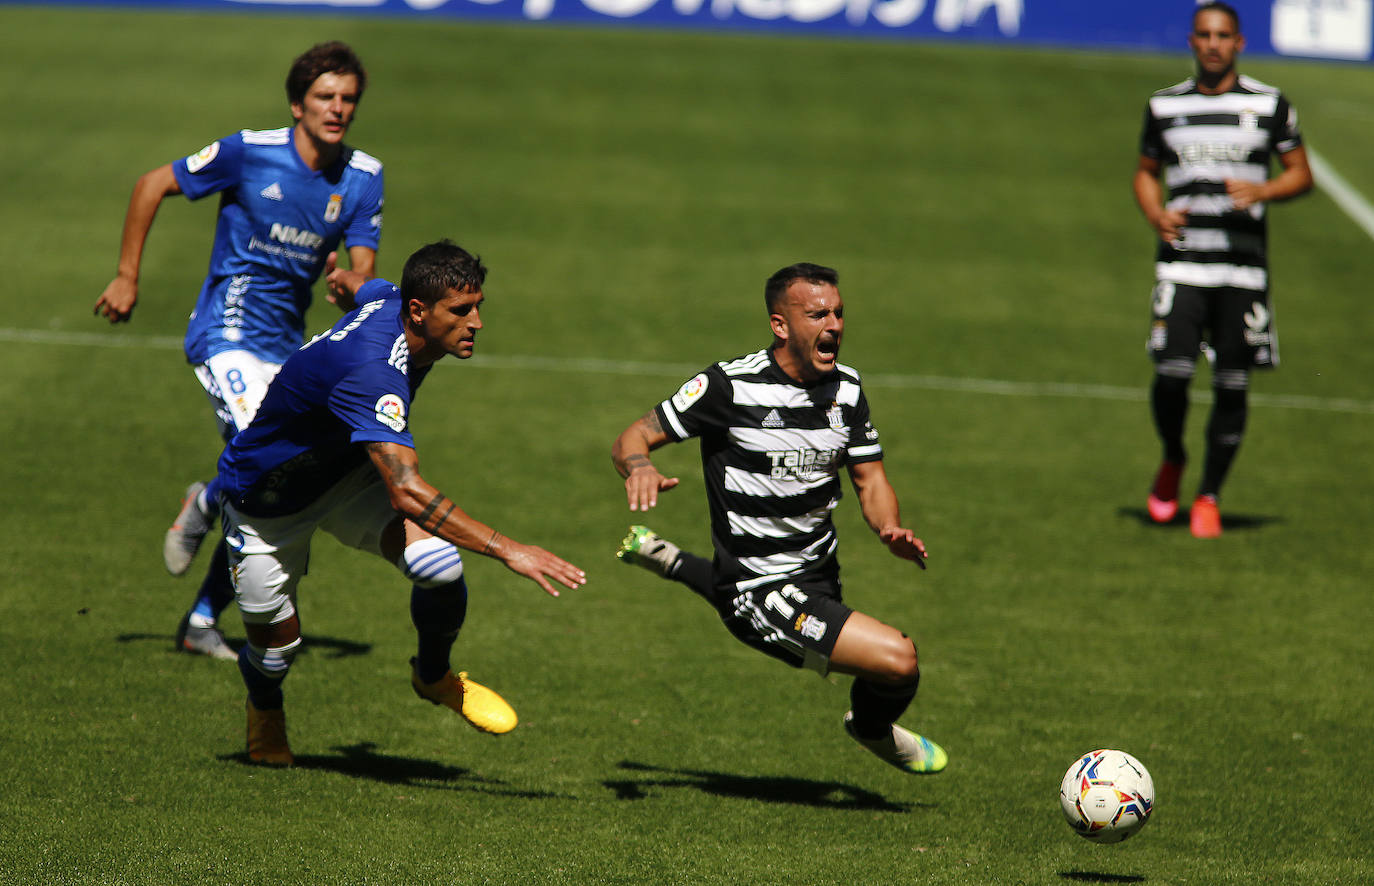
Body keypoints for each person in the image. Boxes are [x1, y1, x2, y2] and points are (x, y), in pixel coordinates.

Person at [216, 239, 585, 765]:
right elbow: (407, 489)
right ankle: (265, 711)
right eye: (461, 311)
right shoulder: (372, 374)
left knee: (438, 564)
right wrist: (510, 550)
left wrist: (338, 277)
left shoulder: (389, 297)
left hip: (345, 481)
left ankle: (433, 676)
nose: (476, 322)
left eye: (478, 306)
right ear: (418, 310)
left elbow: (359, 288)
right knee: (274, 654)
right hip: (266, 507)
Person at [94, 41, 385, 658]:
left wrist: (349, 286)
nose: (337, 109)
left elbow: (362, 273)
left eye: (347, 99)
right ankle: (205, 502)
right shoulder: (249, 153)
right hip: (224, 333)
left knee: (279, 489)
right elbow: (152, 185)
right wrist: (127, 276)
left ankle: (202, 617)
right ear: (297, 104)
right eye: (324, 97)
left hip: (287, 349)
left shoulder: (362, 178)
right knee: (267, 467)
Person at [610, 262, 947, 775]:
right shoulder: (729, 386)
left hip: (819, 572)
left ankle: (670, 559)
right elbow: (632, 436)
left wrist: (887, 528)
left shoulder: (847, 391)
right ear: (780, 325)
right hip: (759, 586)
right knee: (898, 661)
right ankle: (871, 728)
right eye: (817, 314)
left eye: (838, 313)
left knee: (845, 655)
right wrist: (639, 468)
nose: (833, 325)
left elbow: (870, 480)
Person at [1133, 1, 1312, 538]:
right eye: (1204, 35)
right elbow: (1145, 172)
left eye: (1223, 35)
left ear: (1239, 43)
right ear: (1192, 42)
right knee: (1172, 377)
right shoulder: (1164, 107)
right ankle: (1173, 457)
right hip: (1183, 265)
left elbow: (1300, 174)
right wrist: (1154, 212)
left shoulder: (1269, 104)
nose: (1213, 44)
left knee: (1232, 385)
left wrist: (1265, 189)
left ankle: (1209, 494)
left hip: (1243, 270)